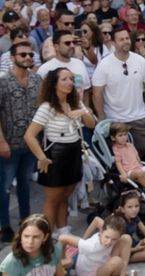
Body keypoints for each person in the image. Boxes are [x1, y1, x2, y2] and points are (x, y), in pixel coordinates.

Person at [24, 68, 95, 231]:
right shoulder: (47, 107)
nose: (69, 82)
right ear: (54, 84)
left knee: (65, 196)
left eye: (71, 78)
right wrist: (42, 158)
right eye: (64, 79)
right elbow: (29, 135)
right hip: (55, 154)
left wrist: (82, 112)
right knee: (53, 200)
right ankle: (45, 236)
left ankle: (62, 229)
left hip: (73, 152)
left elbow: (91, 124)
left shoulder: (75, 102)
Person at [0, 41, 39, 245]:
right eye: (23, 54)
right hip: (9, 141)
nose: (27, 58)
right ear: (12, 57)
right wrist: (0, 139)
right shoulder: (0, 81)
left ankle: (25, 220)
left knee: (25, 183)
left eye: (30, 55)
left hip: (31, 142)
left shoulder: (37, 79)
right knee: (6, 185)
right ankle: (5, 225)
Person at [91, 27, 145, 154]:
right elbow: (97, 93)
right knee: (119, 159)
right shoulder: (104, 65)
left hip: (139, 118)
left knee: (141, 152)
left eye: (127, 38)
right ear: (113, 43)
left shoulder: (140, 60)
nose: (126, 41)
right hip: (114, 119)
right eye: (121, 39)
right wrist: (101, 117)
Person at [67, 213, 135, 276]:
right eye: (107, 237)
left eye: (114, 239)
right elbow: (63, 238)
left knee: (126, 238)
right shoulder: (90, 245)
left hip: (101, 264)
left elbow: (96, 219)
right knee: (117, 261)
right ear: (101, 231)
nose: (109, 242)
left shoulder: (107, 229)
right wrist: (83, 240)